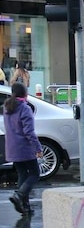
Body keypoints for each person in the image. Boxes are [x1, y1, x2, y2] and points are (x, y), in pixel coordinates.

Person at [4, 83, 41, 215]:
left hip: (12, 147)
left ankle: (25, 207)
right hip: (24, 148)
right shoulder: (25, 108)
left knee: (23, 174)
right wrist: (38, 148)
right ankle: (19, 195)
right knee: (35, 173)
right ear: (25, 93)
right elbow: (29, 132)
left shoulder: (7, 107)